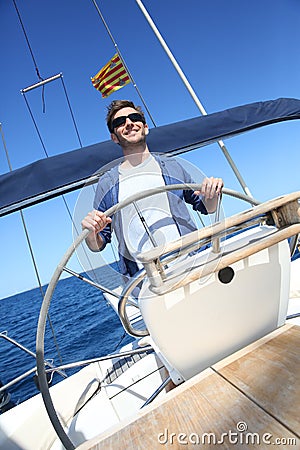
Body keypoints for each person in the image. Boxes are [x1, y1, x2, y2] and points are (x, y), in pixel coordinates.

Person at [81, 100, 223, 277]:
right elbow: (98, 244)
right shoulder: (107, 183)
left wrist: (212, 193)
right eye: (120, 122)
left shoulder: (172, 166)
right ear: (114, 137)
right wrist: (90, 233)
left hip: (192, 265)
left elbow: (206, 207)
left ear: (145, 127)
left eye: (134, 117)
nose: (129, 123)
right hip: (147, 282)